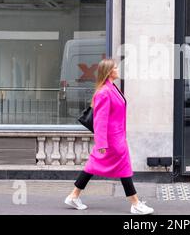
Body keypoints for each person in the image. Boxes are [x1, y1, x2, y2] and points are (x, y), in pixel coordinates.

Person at [65, 58, 154, 215]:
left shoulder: (111, 88)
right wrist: (101, 144)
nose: (118, 69)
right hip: (112, 139)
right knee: (124, 168)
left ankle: (73, 196)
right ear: (109, 72)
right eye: (115, 68)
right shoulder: (105, 92)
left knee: (92, 166)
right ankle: (135, 203)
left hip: (117, 136)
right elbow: (100, 121)